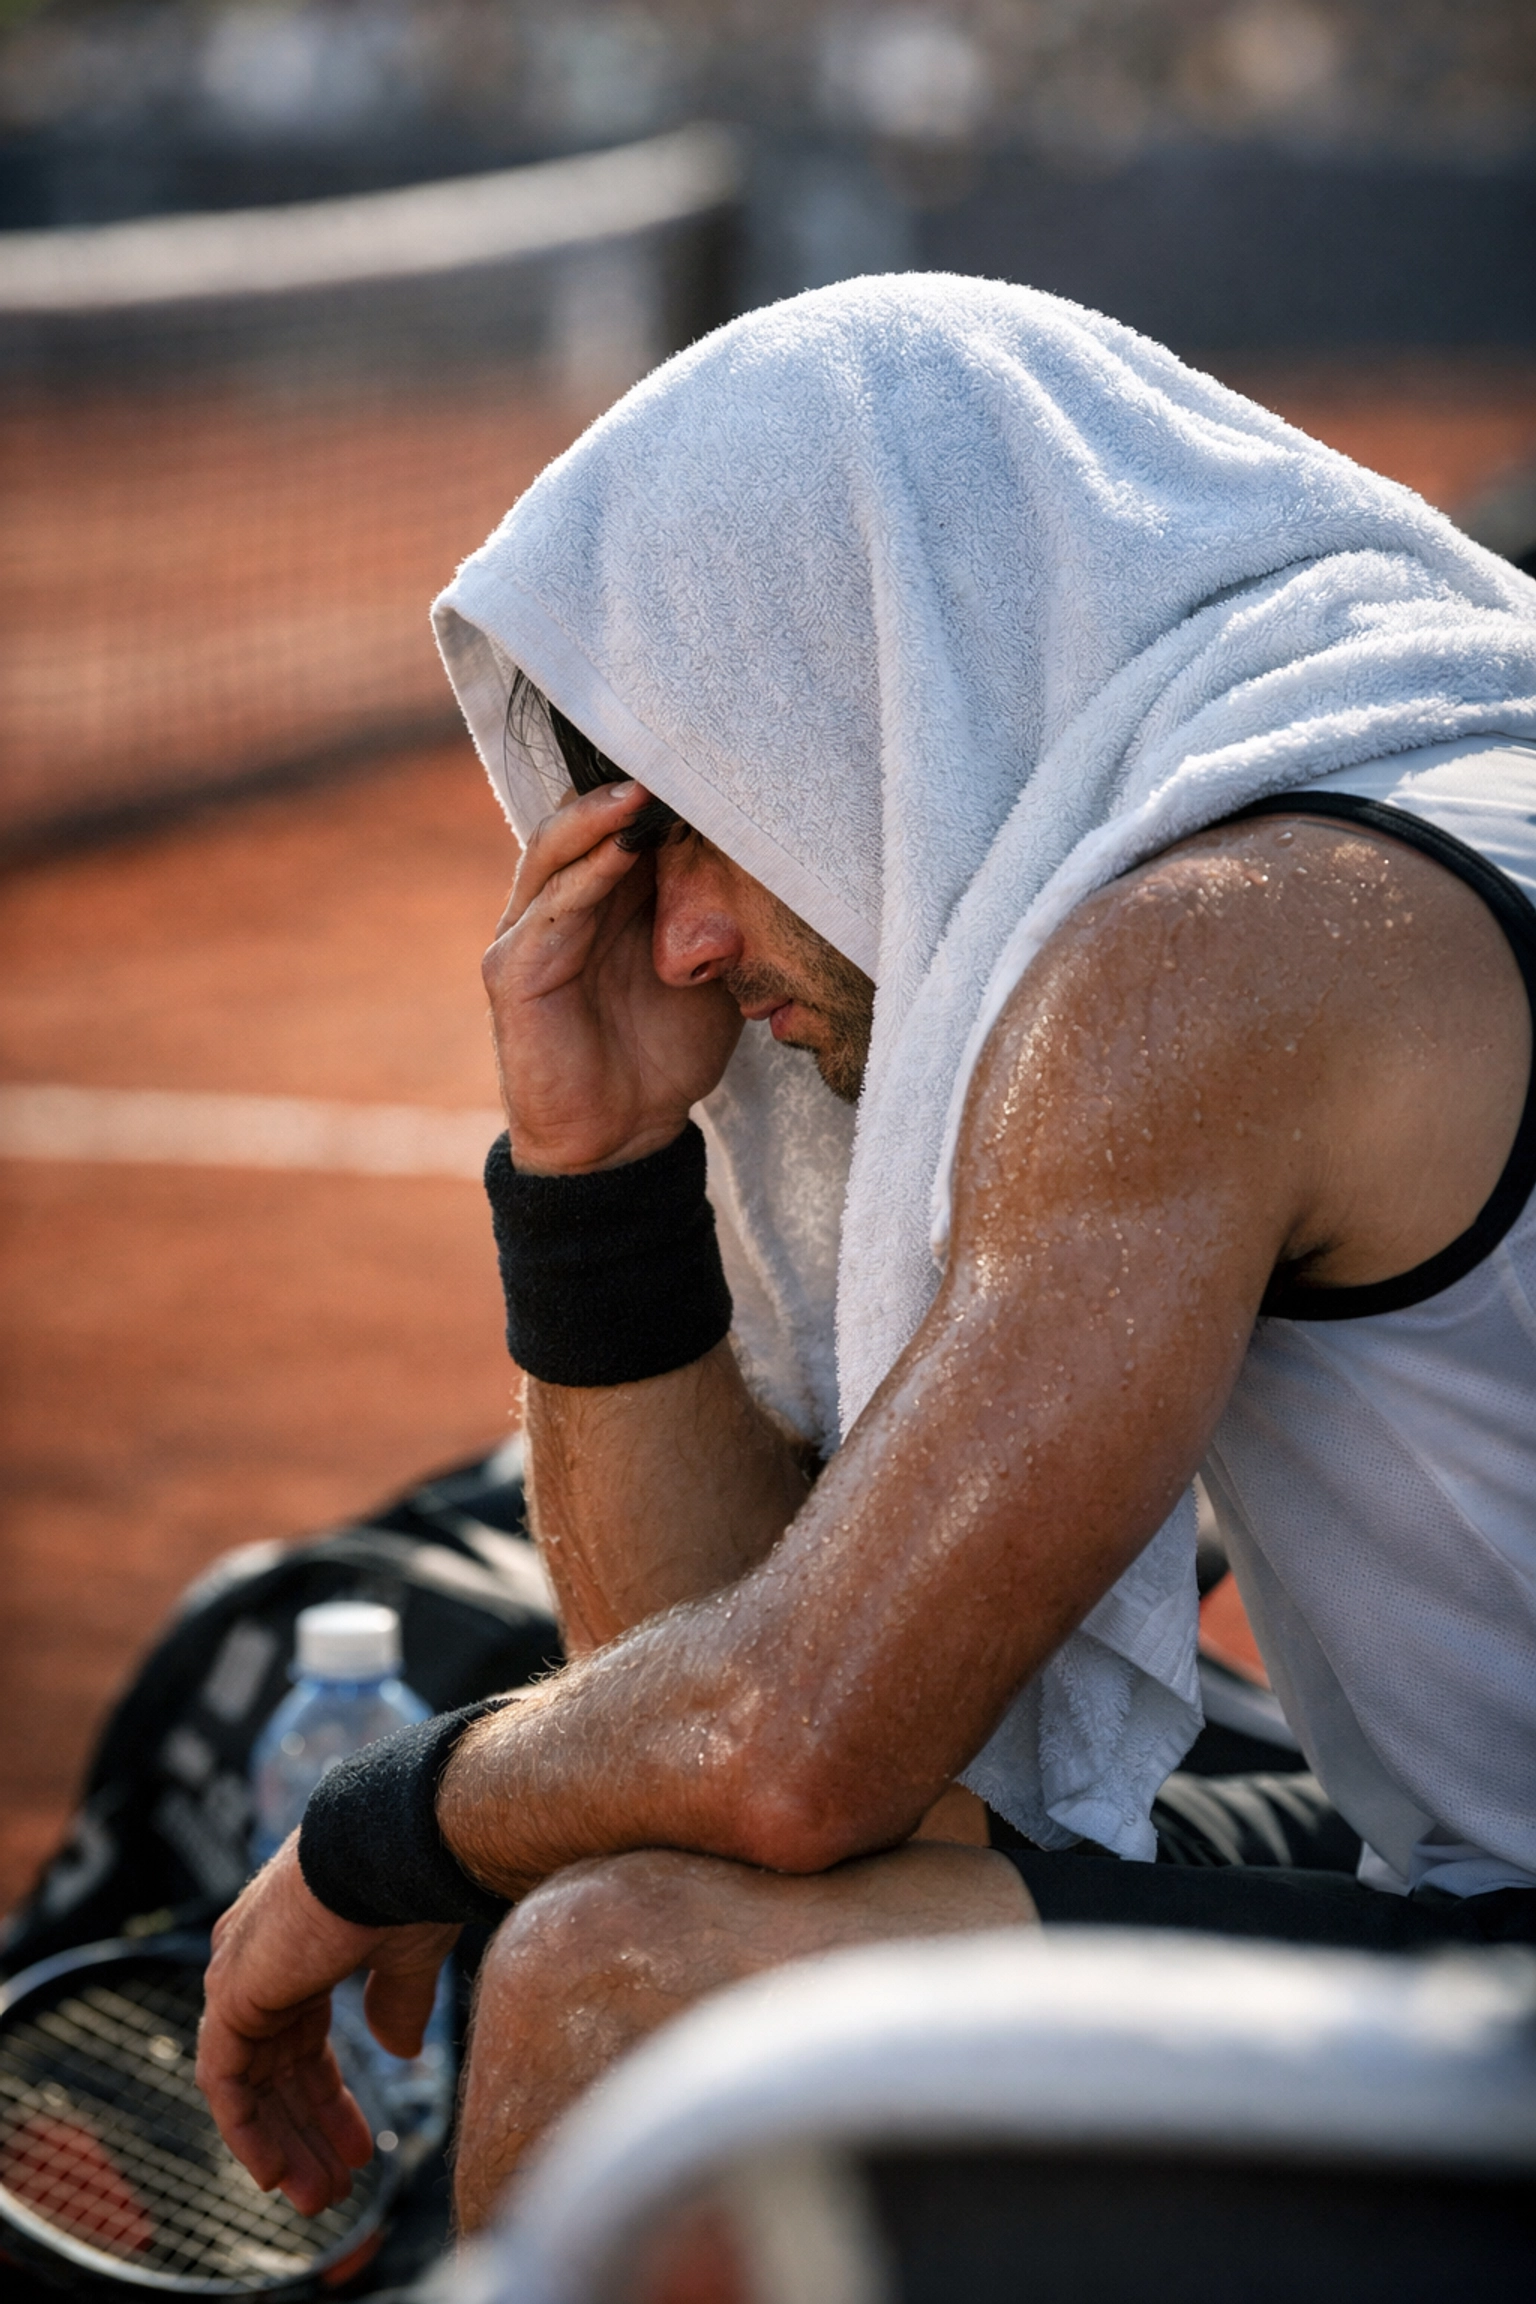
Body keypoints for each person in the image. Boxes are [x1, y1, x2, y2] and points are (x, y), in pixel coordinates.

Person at [195, 277, 1536, 2235]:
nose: (680, 949)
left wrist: (376, 1832)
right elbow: (741, 1681)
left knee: (617, 1979)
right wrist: (603, 1173)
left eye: (689, 826)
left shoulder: (1218, 957)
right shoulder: (1420, 762)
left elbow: (791, 1757)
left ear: (861, 681)